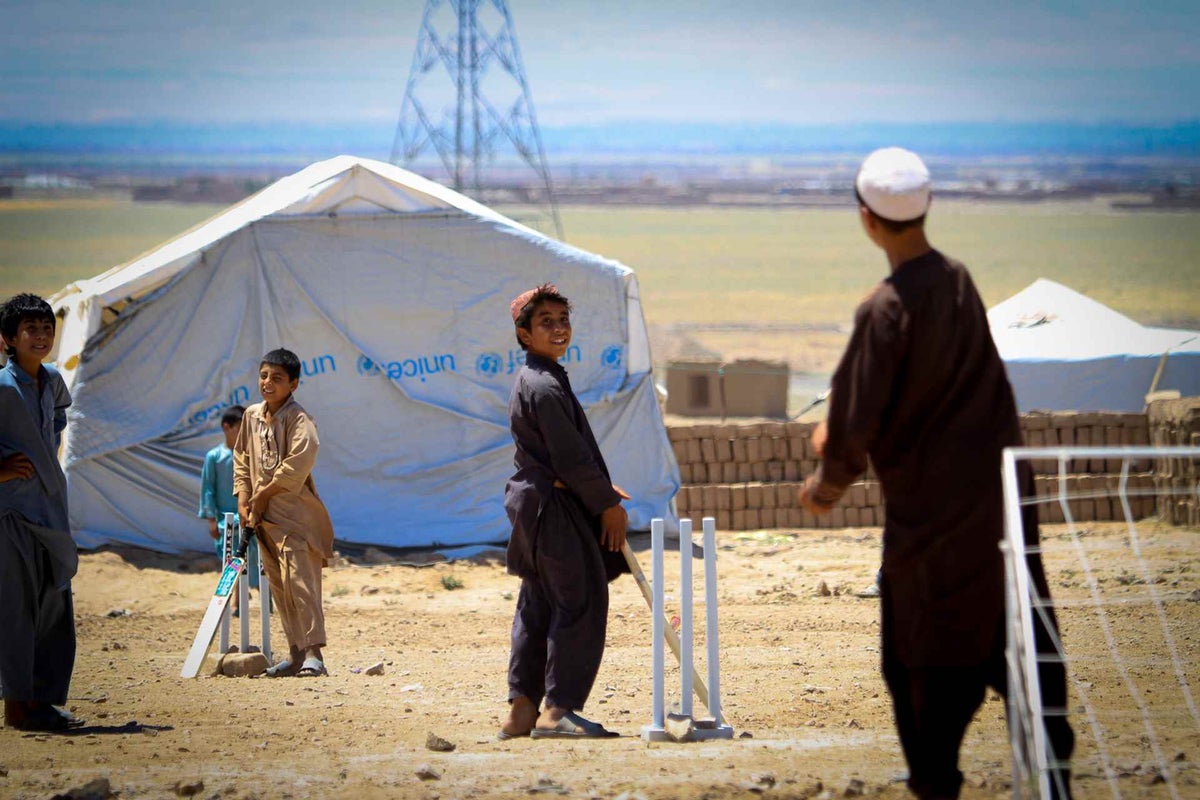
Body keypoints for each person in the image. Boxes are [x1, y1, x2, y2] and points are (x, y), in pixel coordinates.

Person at [798, 148, 1074, 799]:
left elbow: (852, 429)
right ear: (927, 207)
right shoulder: (958, 279)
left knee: (924, 669)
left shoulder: (884, 310)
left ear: (867, 219)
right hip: (1001, 511)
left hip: (931, 528)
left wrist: (825, 484)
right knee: (1025, 651)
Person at [499, 283, 629, 740]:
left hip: (535, 506)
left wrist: (597, 487)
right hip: (552, 509)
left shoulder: (540, 379)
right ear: (524, 333)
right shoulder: (544, 384)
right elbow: (571, 460)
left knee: (538, 604)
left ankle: (521, 711)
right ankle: (558, 712)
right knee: (579, 600)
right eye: (545, 322)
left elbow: (559, 456)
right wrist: (607, 505)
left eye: (562, 320)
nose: (557, 329)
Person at [0, 293, 84, 731]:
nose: (41, 335)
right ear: (8, 339)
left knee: (54, 603)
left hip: (50, 509)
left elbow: (54, 429)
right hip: (10, 515)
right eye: (30, 329)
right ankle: (16, 706)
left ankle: (44, 700)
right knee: (15, 610)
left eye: (47, 327)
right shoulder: (0, 386)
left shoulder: (52, 381)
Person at [233, 348, 334, 678]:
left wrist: (264, 494)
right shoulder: (250, 416)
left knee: (300, 582)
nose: (267, 383)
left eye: (277, 378)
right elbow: (242, 461)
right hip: (262, 520)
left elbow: (299, 463)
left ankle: (313, 655)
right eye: (264, 376)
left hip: (294, 517)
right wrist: (245, 499)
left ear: (293, 384)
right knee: (278, 584)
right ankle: (294, 654)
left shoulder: (298, 418)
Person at [198, 404, 259, 614]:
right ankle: (235, 599)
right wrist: (211, 520)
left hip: (250, 519)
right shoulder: (214, 457)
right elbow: (208, 489)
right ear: (227, 427)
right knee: (231, 560)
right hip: (226, 522)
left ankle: (250, 600)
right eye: (240, 426)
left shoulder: (251, 456)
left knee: (253, 558)